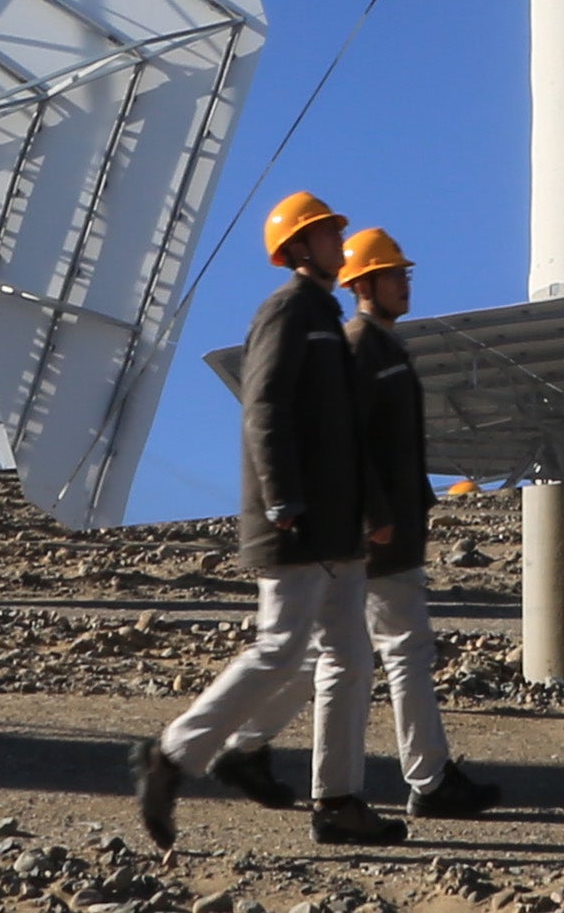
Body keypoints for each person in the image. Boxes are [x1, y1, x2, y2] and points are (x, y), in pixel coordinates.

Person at [212, 223, 497, 819]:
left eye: (405, 273)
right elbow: (346, 441)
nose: (405, 283)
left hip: (382, 527)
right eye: (395, 274)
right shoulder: (359, 346)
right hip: (373, 533)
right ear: (364, 283)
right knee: (399, 649)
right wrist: (375, 515)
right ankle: (425, 780)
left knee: (328, 656)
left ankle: (246, 746)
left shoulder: (382, 346)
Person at [134, 192, 392, 849]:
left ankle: (337, 801)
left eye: (335, 229)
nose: (340, 238)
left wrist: (368, 509)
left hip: (334, 524)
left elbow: (342, 432)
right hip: (298, 519)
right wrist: (283, 499)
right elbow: (264, 406)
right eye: (327, 232)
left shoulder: (324, 316)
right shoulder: (288, 310)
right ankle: (171, 753)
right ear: (299, 248)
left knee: (348, 659)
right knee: (281, 647)